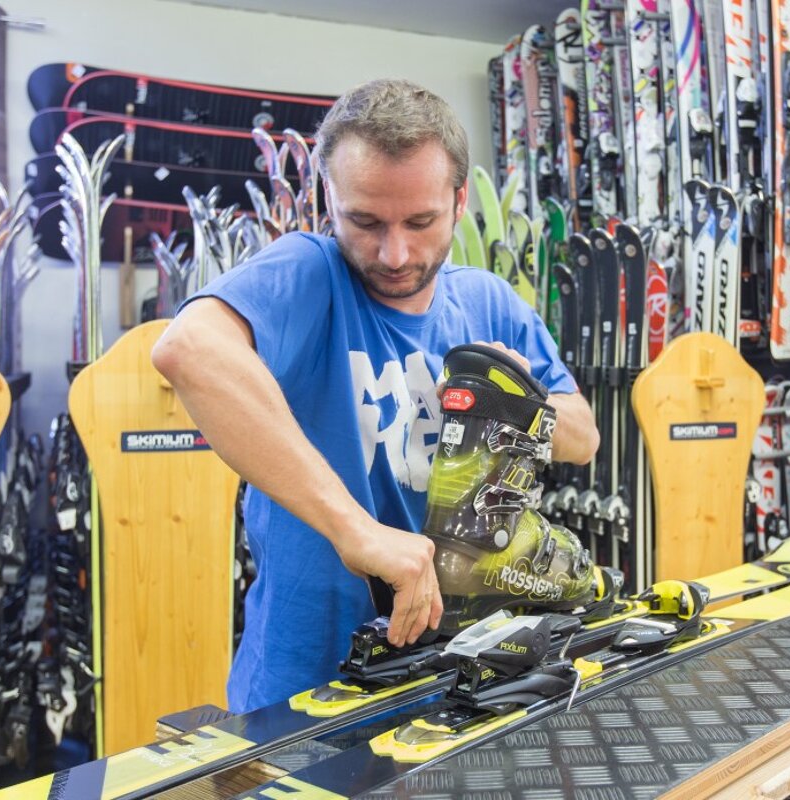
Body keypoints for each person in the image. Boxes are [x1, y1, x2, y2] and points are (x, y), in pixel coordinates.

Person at [151, 79, 600, 713]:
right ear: (327, 197)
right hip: (306, 688)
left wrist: (517, 403)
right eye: (364, 221)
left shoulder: (488, 303)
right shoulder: (309, 273)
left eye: (420, 222)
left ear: (459, 199)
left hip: (464, 676)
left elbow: (584, 438)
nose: (395, 253)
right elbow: (188, 348)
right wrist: (356, 531)